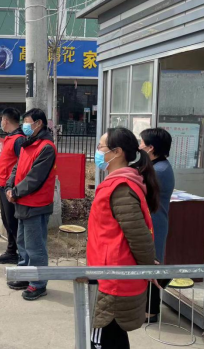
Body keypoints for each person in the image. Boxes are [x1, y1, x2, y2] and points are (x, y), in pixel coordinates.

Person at [88, 127, 158, 349]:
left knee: (101, 340)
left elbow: (139, 237)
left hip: (113, 280)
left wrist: (150, 268)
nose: (98, 151)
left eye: (100, 147)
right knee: (114, 338)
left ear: (117, 152)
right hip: (110, 273)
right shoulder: (121, 183)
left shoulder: (119, 188)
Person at [5, 108, 57, 300]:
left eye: (27, 121)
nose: (24, 125)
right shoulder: (29, 144)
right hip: (22, 202)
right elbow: (17, 168)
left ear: (38, 123)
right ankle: (25, 275)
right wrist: (9, 186)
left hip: (36, 204)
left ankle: (38, 283)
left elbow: (34, 178)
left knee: (36, 247)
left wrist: (15, 192)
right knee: (23, 244)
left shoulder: (46, 147)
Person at [140, 128, 175, 323]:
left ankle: (151, 312)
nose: (139, 146)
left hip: (154, 224)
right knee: (149, 264)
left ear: (151, 148)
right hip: (152, 222)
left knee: (152, 265)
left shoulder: (159, 170)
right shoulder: (156, 166)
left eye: (141, 143)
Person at [0, 108, 26, 264]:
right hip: (3, 186)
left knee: (13, 223)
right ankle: (11, 251)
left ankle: (20, 254)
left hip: (10, 188)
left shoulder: (19, 140)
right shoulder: (11, 138)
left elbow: (22, 164)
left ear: (5, 121)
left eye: (1, 120)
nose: (1, 123)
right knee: (7, 221)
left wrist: (12, 187)